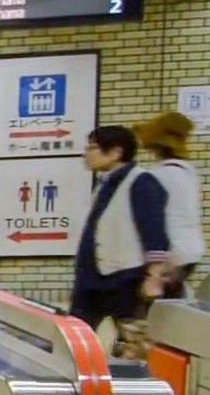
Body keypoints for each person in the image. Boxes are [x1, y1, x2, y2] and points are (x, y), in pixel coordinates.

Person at [71, 125, 170, 359]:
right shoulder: (104, 183)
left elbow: (154, 230)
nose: (86, 153)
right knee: (76, 332)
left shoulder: (142, 182)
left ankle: (134, 384)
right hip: (92, 276)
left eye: (93, 147)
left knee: (131, 340)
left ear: (115, 152)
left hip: (124, 276)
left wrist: (153, 277)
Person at [137, 111, 204, 298]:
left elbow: (153, 218)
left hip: (172, 252)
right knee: (174, 300)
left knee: (157, 306)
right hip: (192, 250)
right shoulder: (188, 172)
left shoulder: (159, 175)